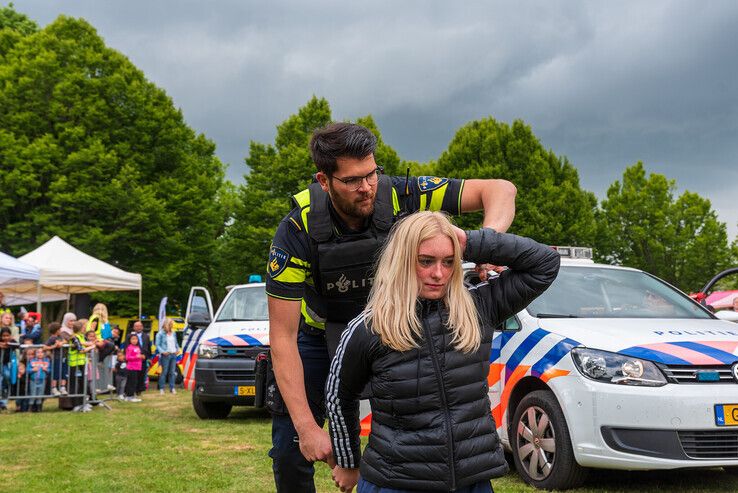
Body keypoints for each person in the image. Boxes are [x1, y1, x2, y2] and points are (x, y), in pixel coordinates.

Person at [266, 122, 517, 491]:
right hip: (319, 336)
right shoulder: (296, 230)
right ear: (324, 180)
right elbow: (282, 337)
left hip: (393, 330)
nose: (366, 187)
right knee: (289, 450)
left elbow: (500, 190)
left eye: (371, 174)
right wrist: (306, 428)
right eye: (352, 181)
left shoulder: (400, 194)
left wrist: (486, 246)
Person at [327, 212, 560, 492]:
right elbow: (339, 397)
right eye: (426, 261)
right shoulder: (369, 327)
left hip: (471, 481)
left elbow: (545, 263)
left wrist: (468, 241)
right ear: (402, 259)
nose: (438, 273)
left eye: (449, 261)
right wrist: (347, 460)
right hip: (396, 482)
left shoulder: (478, 307)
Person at [155, 318, 179, 395]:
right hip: (166, 355)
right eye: (171, 323)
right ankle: (162, 388)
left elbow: (176, 343)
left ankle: (172, 388)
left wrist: (177, 349)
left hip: (173, 354)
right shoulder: (160, 333)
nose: (172, 325)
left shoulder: (173, 332)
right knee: (164, 372)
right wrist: (163, 352)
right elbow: (157, 345)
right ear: (167, 324)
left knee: (172, 372)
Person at [44, 322, 67, 396]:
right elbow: (44, 347)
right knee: (56, 374)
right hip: (56, 358)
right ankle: (54, 388)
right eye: (60, 329)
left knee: (64, 373)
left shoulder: (60, 337)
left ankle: (62, 388)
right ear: (57, 330)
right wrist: (53, 346)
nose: (61, 331)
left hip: (63, 358)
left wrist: (61, 343)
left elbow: (65, 341)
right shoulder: (52, 338)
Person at [131, 321, 151, 396]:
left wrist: (149, 358)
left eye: (140, 326)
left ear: (142, 327)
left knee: (142, 375)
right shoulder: (130, 336)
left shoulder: (146, 336)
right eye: (136, 326)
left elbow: (148, 347)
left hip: (144, 358)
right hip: (134, 359)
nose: (138, 328)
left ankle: (139, 390)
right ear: (134, 327)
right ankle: (133, 390)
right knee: (134, 375)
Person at [28, 348, 50, 412]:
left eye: (41, 352)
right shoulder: (32, 361)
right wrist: (32, 370)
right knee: (33, 394)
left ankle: (39, 409)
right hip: (33, 380)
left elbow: (49, 370)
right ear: (35, 354)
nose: (40, 354)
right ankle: (30, 408)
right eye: (38, 352)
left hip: (42, 380)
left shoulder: (46, 361)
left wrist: (46, 370)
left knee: (40, 394)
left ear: (44, 353)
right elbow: (28, 369)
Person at [124, 333, 145, 402]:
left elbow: (139, 356)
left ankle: (132, 395)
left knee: (135, 382)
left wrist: (142, 357)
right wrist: (136, 357)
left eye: (136, 339)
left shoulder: (137, 347)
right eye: (133, 339)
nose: (134, 340)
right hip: (131, 367)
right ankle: (129, 396)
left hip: (137, 367)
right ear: (129, 340)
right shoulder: (129, 348)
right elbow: (127, 357)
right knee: (131, 382)